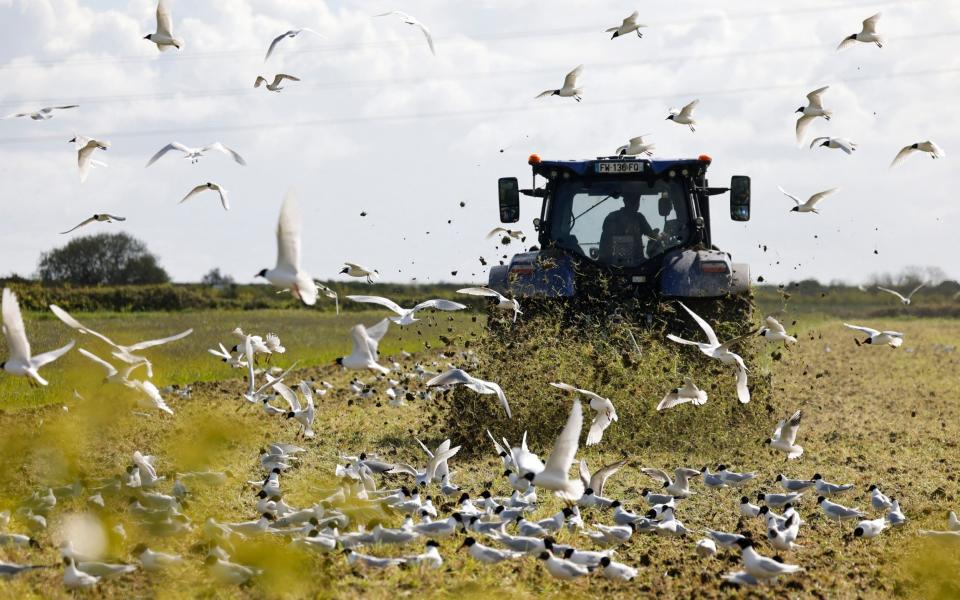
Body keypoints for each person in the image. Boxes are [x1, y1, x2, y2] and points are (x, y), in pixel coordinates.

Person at [598, 192, 661, 266]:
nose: (636, 204)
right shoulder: (614, 218)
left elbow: (651, 236)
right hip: (631, 265)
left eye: (637, 201)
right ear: (625, 201)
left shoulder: (613, 217)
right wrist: (659, 237)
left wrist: (658, 237)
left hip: (622, 265)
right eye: (634, 201)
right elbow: (652, 236)